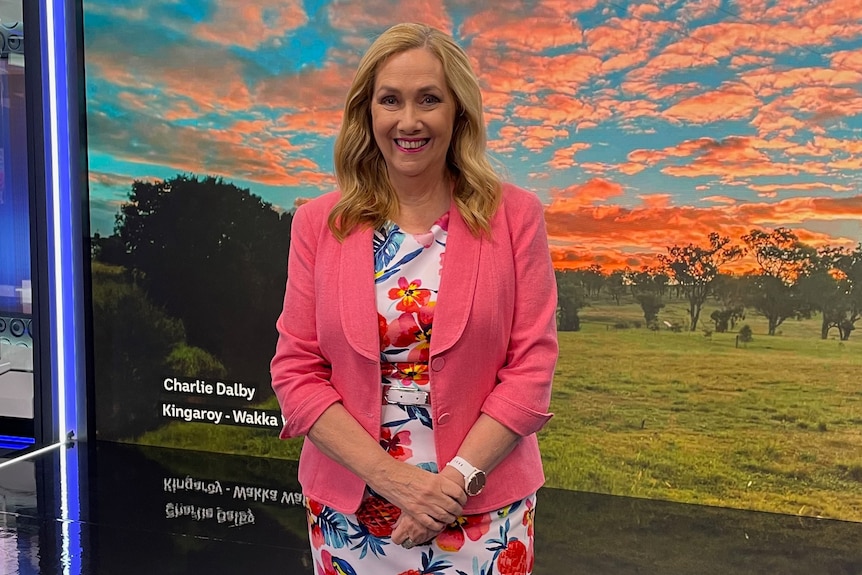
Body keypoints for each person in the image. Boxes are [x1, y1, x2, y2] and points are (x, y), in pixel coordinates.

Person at [270, 22, 558, 575]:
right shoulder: (317, 224)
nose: (409, 121)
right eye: (390, 101)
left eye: (429, 99)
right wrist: (397, 481)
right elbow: (296, 372)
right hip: (352, 513)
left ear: (458, 113)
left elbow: (532, 368)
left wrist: (448, 487)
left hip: (483, 508)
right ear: (367, 113)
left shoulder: (516, 217)